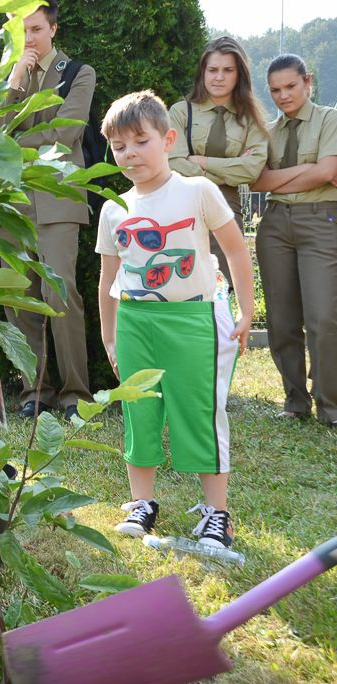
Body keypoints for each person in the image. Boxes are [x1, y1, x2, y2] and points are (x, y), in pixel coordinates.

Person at [96, 91, 254, 548]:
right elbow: (110, 280)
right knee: (138, 411)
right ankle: (141, 503)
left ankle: (216, 515)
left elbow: (236, 250)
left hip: (194, 322)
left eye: (140, 141)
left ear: (167, 139)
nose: (129, 153)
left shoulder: (196, 190)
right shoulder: (114, 208)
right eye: (119, 146)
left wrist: (246, 310)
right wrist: (110, 336)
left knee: (198, 412)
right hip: (134, 323)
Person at [1, 0, 93, 421]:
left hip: (57, 197)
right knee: (19, 298)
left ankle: (76, 392)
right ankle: (34, 390)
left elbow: (66, 133)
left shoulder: (78, 74)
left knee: (60, 296)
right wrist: (15, 78)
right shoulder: (9, 77)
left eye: (36, 29)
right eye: (22, 31)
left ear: (53, 29)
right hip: (13, 201)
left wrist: (9, 146)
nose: (29, 39)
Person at [250, 54, 337, 429]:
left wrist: (286, 176)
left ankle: (330, 405)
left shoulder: (330, 119)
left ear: (308, 81)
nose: (283, 95)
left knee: (323, 317)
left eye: (290, 86)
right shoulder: (266, 131)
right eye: (275, 90)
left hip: (321, 222)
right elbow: (256, 182)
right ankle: (295, 401)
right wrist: (310, 171)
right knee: (282, 320)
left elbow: (329, 171)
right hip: (274, 227)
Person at [168, 36, 269, 286]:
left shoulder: (251, 119)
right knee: (182, 284)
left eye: (228, 70)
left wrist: (201, 161)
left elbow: (252, 169)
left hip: (226, 209)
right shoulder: (181, 112)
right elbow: (173, 162)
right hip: (182, 206)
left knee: (222, 287)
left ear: (239, 75)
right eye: (212, 70)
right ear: (203, 72)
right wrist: (228, 169)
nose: (219, 77)